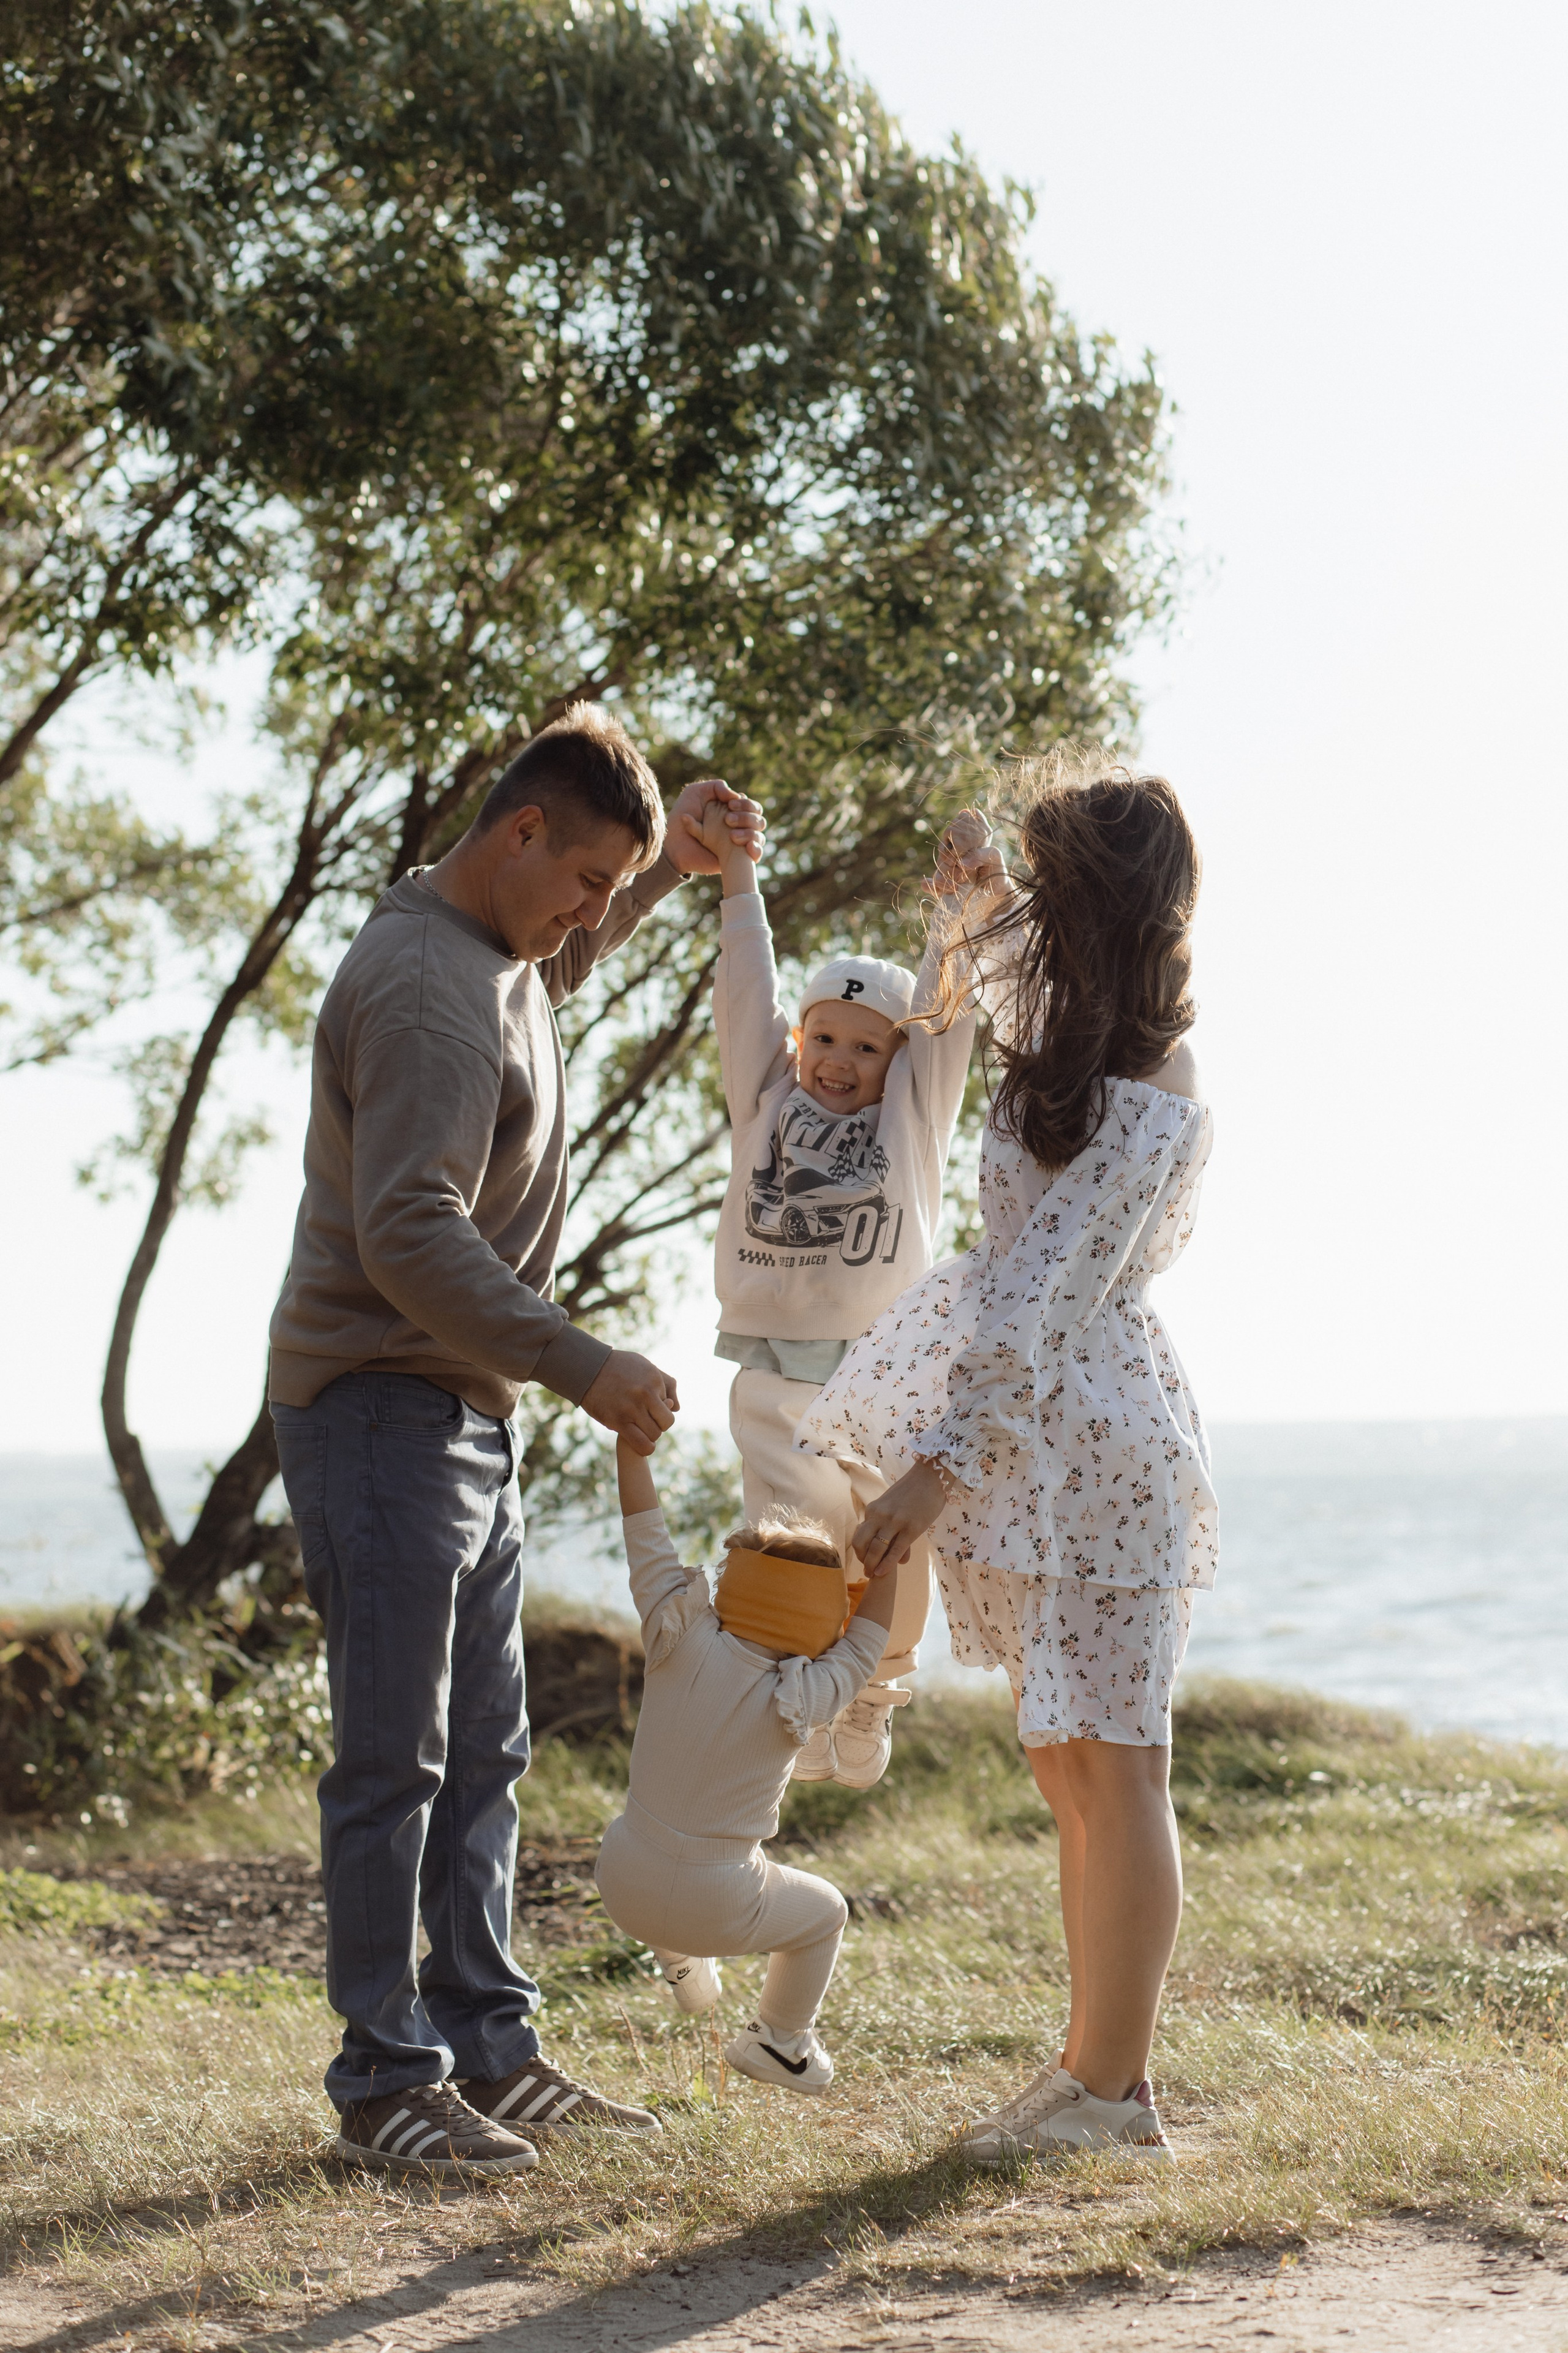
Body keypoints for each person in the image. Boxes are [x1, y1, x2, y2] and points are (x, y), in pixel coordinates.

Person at [268, 704, 764, 2179]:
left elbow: (557, 969)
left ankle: (489, 2045)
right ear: (522, 829)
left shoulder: (492, 947)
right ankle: (383, 2077)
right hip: (378, 1401)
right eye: (587, 879)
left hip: (451, 1407)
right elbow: (406, 1228)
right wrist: (579, 1360)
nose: (592, 915)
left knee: (481, 1750)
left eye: (614, 889)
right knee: (393, 1760)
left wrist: (668, 867)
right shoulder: (427, 986)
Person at [800, 756, 1216, 2165]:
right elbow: (972, 971)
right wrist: (969, 888)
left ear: (1100, 905)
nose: (1031, 903)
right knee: (1064, 1756)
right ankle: (1086, 2073)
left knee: (1117, 1762)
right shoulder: (1065, 1027)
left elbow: (1043, 1291)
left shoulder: (1155, 1083)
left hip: (1090, 1433)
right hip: (1043, 1439)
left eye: (1052, 880)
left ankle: (1112, 2090)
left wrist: (936, 1465)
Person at [702, 795, 1005, 1791]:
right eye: (824, 1039)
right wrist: (740, 879)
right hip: (773, 1381)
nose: (840, 1060)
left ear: (896, 1062)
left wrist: (958, 903)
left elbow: (943, 1013)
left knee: (887, 1548)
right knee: (786, 1560)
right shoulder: (766, 1099)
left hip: (885, 1381)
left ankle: (873, 1694)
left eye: (866, 1047)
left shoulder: (910, 1125)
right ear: (799, 1046)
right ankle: (791, 1705)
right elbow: (746, 995)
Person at [594, 1436, 901, 2094]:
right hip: (719, 1899)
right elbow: (872, 1633)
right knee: (824, 1912)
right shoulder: (808, 1691)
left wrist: (632, 1450)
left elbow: (644, 1535)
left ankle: (683, 1968)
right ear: (823, 1622)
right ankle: (781, 2041)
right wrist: (890, 1556)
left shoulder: (676, 1633)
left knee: (656, 1845)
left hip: (621, 1878)